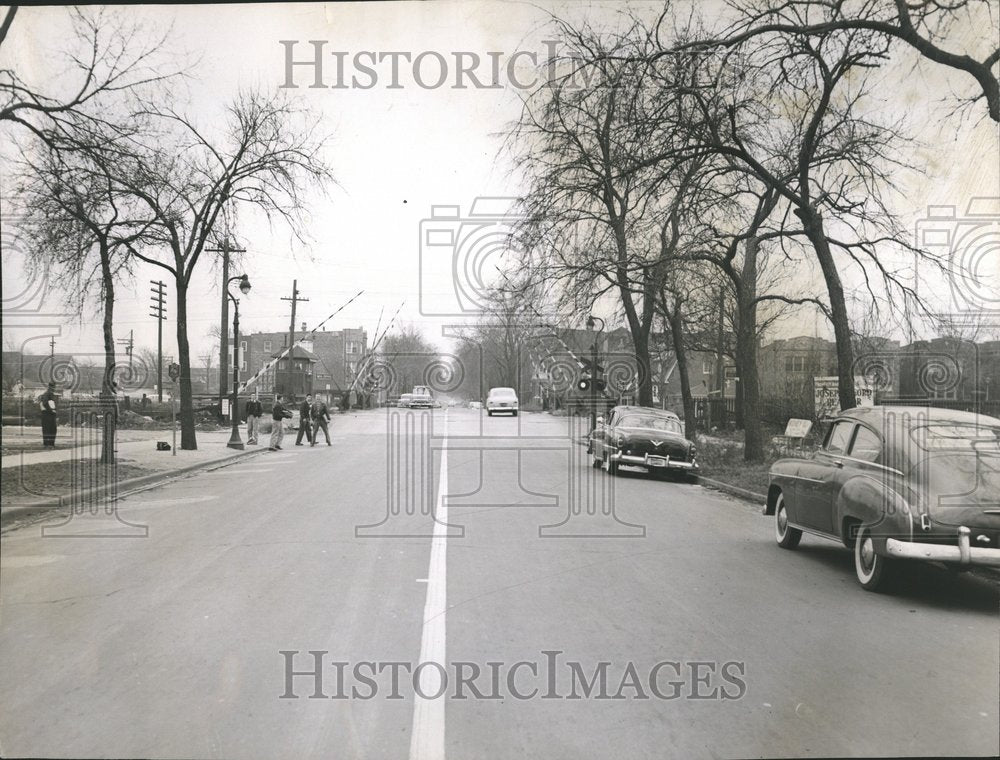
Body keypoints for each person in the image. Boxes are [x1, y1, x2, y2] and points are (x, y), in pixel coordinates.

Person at [39, 381, 58, 448]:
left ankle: (49, 444)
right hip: (47, 414)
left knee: (50, 429)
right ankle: (48, 444)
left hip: (48, 414)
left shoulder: (47, 394)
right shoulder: (47, 394)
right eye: (53, 387)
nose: (54, 388)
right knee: (49, 429)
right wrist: (51, 410)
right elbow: (45, 403)